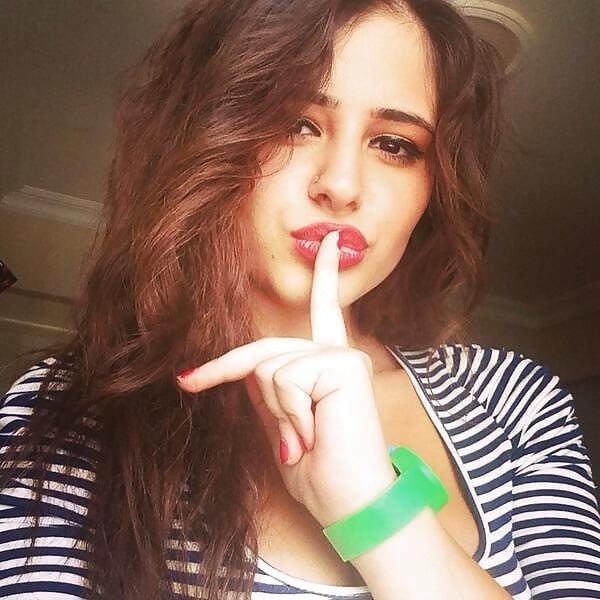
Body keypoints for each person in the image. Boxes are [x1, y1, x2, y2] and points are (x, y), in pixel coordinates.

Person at [1, 0, 598, 598]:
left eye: (395, 145)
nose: (341, 185)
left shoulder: (509, 401)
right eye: (295, 123)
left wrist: (371, 506)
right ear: (205, 139)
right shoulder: (69, 409)